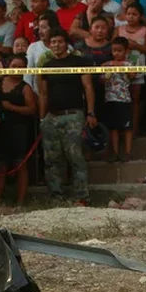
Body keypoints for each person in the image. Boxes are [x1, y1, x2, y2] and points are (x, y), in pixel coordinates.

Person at [38, 28, 94, 204]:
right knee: (52, 159)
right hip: (51, 117)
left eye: (60, 41)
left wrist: (91, 113)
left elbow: (88, 88)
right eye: (53, 42)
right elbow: (43, 94)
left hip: (73, 115)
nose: (56, 45)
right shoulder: (46, 66)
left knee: (76, 157)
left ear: (66, 44)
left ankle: (82, 197)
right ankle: (56, 197)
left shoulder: (79, 62)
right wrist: (42, 119)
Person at [0, 54, 38, 205]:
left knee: (20, 164)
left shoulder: (25, 87)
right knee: (0, 164)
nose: (16, 69)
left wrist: (12, 107)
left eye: (20, 67)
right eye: (14, 66)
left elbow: (31, 109)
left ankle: (20, 201)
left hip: (19, 128)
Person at [115, 3, 146, 133]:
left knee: (135, 101)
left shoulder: (144, 30)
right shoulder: (119, 30)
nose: (131, 17)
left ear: (140, 16)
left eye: (134, 14)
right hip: (120, 72)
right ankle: (120, 130)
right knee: (120, 101)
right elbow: (111, 47)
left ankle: (134, 129)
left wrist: (136, 46)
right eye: (128, 14)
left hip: (137, 71)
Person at [100, 38, 135, 163]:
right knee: (113, 127)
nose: (117, 53)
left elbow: (133, 75)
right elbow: (102, 80)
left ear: (126, 51)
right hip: (110, 99)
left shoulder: (129, 64)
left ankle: (128, 152)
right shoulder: (106, 65)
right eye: (114, 50)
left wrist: (121, 67)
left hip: (124, 99)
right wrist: (107, 72)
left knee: (127, 127)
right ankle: (115, 152)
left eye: (120, 51)